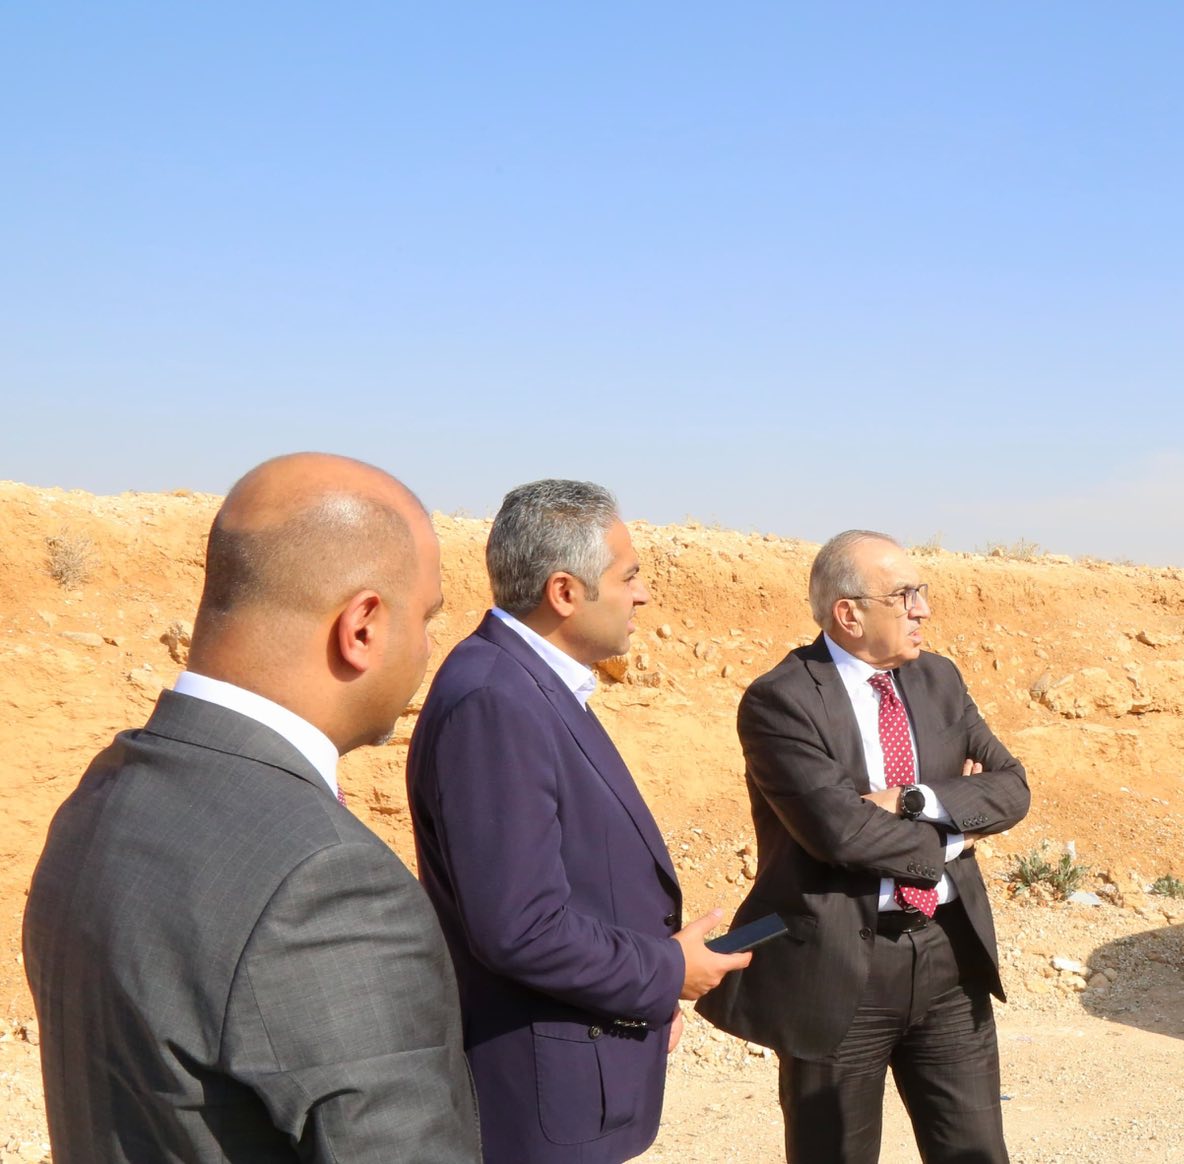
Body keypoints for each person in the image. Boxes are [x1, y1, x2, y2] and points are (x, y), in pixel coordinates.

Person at [24, 452, 481, 1163]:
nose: (427, 648)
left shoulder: (105, 791)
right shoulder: (330, 884)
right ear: (362, 627)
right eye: (426, 618)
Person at [406, 479, 749, 1163]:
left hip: (581, 1064)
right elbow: (520, 927)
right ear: (564, 592)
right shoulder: (495, 700)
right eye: (628, 576)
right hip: (539, 1096)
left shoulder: (525, 684)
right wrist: (664, 971)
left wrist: (646, 994)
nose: (642, 595)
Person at [697, 530, 1031, 1164]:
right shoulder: (782, 700)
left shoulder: (938, 678)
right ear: (848, 614)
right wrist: (956, 834)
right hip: (839, 969)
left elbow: (1012, 788)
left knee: (977, 1152)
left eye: (920, 592)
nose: (922, 609)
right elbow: (840, 833)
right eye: (904, 596)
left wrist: (912, 800)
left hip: (947, 952)